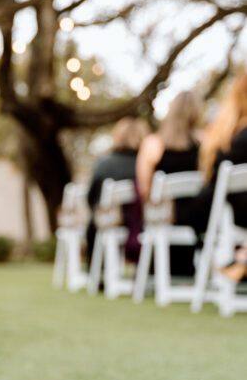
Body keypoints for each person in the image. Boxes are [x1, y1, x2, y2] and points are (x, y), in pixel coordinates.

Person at [134, 91, 201, 275]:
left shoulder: (153, 144)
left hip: (163, 217)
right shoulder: (205, 145)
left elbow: (144, 190)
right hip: (199, 219)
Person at [192, 73, 247, 280]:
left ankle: (241, 255)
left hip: (222, 210)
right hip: (231, 210)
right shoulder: (240, 137)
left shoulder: (222, 133)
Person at [86, 117, 149, 260]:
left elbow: (92, 198)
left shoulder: (104, 163)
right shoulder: (147, 164)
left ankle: (98, 273)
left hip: (111, 222)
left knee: (91, 227)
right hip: (142, 222)